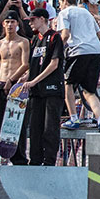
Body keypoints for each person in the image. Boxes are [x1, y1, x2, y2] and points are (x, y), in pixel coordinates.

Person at [56, 0, 100, 134]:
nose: (59, 6)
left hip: (79, 51)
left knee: (68, 84)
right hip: (96, 51)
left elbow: (65, 34)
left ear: (64, 1)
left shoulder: (65, 13)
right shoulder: (86, 12)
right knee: (89, 90)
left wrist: (56, 50)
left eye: (60, 3)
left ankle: (74, 118)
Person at [0, 12, 30, 169]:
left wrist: (12, 80)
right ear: (3, 24)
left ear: (17, 24)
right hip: (0, 84)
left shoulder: (23, 42)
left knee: (17, 124)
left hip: (16, 86)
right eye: (7, 22)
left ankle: (19, 159)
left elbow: (25, 64)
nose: (10, 25)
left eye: (13, 22)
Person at [21, 9, 65, 166]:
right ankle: (35, 160)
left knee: (50, 128)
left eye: (33, 20)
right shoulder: (34, 39)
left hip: (52, 90)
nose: (31, 23)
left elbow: (54, 64)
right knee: (35, 128)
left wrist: (34, 81)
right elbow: (33, 65)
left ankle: (49, 161)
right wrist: (26, 78)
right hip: (36, 92)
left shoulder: (54, 37)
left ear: (42, 19)